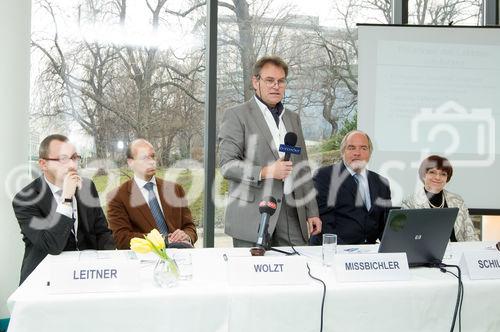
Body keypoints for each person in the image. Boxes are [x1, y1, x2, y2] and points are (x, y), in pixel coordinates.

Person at [218, 55, 322, 247]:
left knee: (295, 273)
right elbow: (227, 165)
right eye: (269, 80)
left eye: (281, 81)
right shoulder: (236, 115)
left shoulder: (293, 118)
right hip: (252, 213)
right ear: (255, 82)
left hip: (292, 211)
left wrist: (312, 211)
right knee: (253, 275)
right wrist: (265, 172)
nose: (276, 86)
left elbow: (303, 169)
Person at [12, 134, 115, 284]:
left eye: (74, 157)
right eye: (63, 159)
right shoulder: (25, 199)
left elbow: (102, 232)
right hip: (45, 278)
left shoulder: (87, 186)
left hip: (87, 273)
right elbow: (51, 246)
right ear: (43, 164)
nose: (73, 165)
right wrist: (66, 199)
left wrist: (111, 265)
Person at [107, 139, 197, 249]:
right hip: (145, 261)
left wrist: (186, 236)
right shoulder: (118, 197)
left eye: (153, 156)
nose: (151, 161)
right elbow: (121, 238)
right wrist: (162, 240)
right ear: (130, 162)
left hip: (181, 256)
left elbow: (189, 226)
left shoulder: (175, 189)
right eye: (144, 158)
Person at [312, 130, 392, 245]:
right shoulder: (324, 176)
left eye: (363, 148)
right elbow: (324, 224)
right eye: (351, 148)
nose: (357, 153)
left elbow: (385, 225)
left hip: (369, 253)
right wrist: (349, 254)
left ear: (370, 153)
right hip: (334, 251)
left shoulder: (381, 182)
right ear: (343, 152)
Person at [401, 155, 478, 241]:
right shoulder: (410, 202)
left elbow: (471, 235)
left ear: (447, 178)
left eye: (443, 174)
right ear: (423, 175)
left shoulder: (457, 200)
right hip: (425, 253)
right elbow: (407, 238)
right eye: (432, 172)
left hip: (458, 252)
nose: (437, 177)